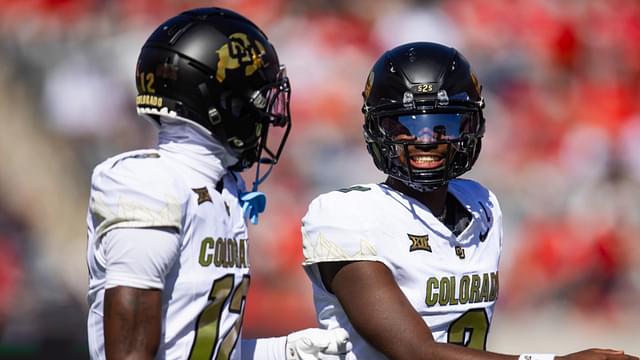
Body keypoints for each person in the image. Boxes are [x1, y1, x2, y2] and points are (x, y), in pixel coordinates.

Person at [300, 42, 638, 360]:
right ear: (379, 130)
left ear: (469, 126)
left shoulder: (481, 205)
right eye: (406, 125)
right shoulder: (345, 214)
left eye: (442, 124)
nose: (426, 139)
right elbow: (415, 352)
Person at [86, 7, 352, 360]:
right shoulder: (150, 181)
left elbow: (198, 349)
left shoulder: (223, 191)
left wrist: (283, 350)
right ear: (219, 103)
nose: (266, 115)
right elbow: (131, 350)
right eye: (257, 100)